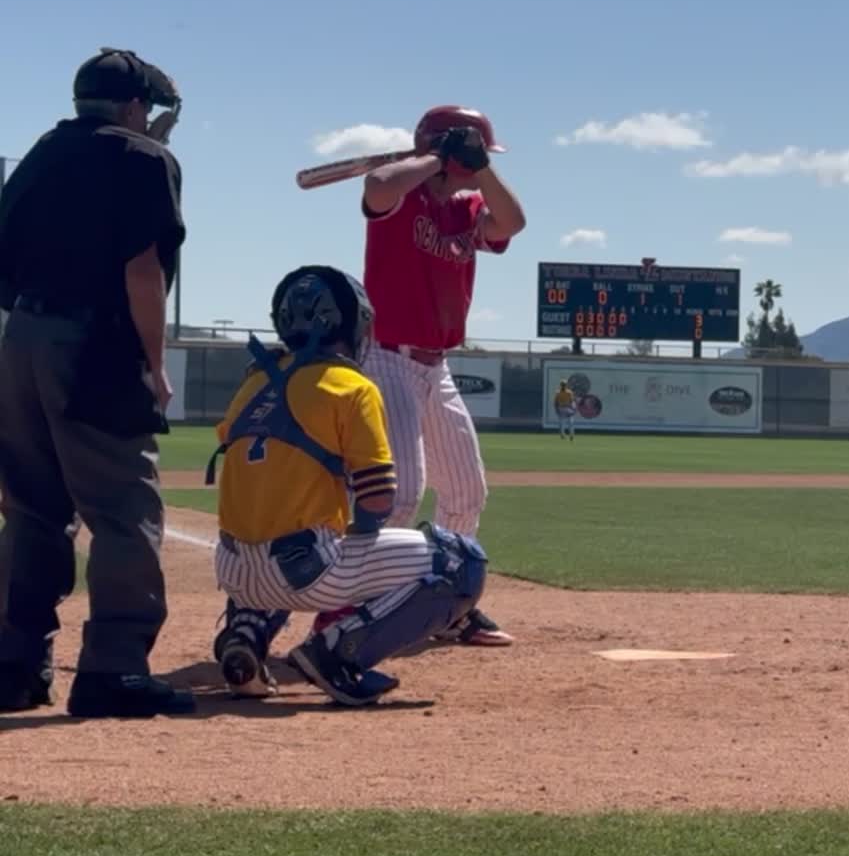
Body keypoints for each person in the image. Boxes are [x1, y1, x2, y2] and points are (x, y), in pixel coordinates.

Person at [0, 48, 195, 718]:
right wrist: (156, 363)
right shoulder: (146, 160)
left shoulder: (43, 153)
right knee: (123, 509)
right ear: (137, 107)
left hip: (21, 339)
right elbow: (143, 271)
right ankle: (113, 669)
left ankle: (15, 664)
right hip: (95, 344)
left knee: (30, 509)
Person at [206, 266, 490, 705]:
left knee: (274, 517)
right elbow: (378, 501)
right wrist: (356, 532)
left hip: (234, 570)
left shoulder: (253, 381)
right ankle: (338, 652)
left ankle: (246, 630)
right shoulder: (352, 386)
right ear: (354, 324)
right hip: (303, 570)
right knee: (460, 563)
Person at [356, 106, 526, 646]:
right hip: (386, 355)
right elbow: (377, 187)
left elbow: (513, 222)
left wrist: (478, 169)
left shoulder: (468, 203)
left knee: (466, 492)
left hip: (437, 363)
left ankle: (447, 601)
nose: (477, 166)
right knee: (402, 492)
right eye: (472, 154)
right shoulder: (401, 193)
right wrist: (431, 158)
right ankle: (367, 604)